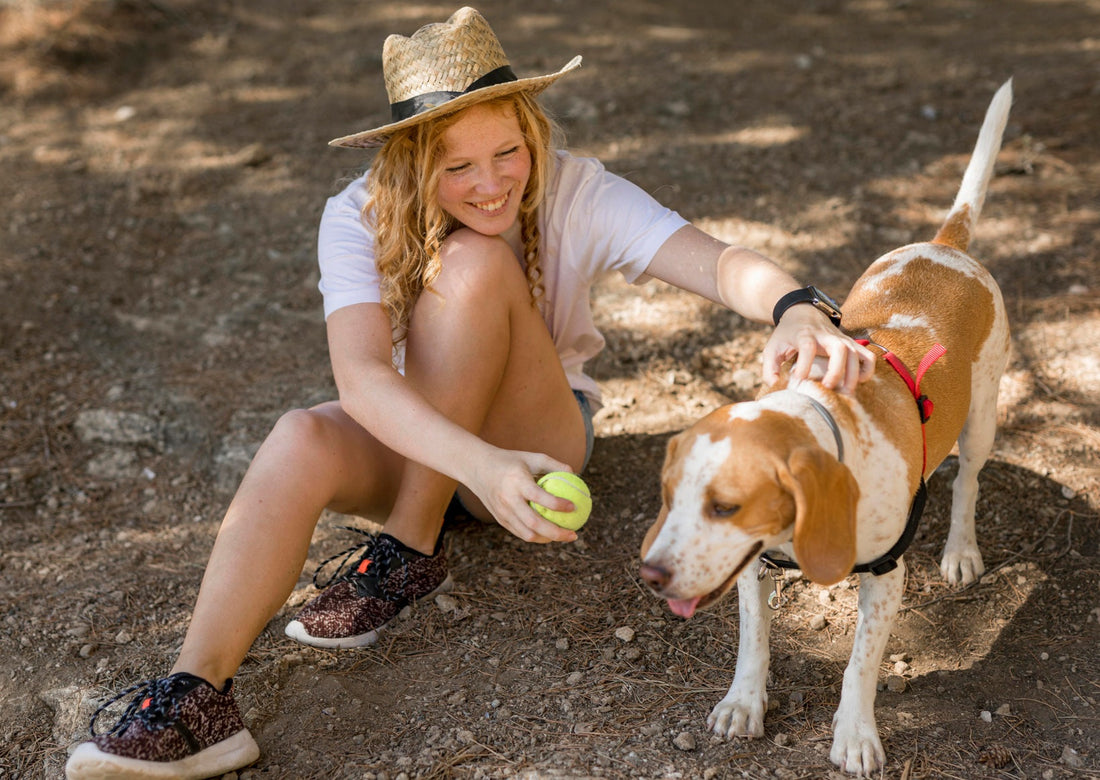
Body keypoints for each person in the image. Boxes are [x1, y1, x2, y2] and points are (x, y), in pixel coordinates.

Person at [64, 7, 875, 779]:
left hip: (537, 438)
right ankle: (198, 697)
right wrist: (475, 465)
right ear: (413, 163)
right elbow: (362, 379)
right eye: (457, 167)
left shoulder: (574, 189)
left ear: (532, 134)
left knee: (476, 262)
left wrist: (794, 304)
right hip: (443, 447)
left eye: (507, 152)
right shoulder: (355, 214)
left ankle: (409, 547)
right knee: (298, 435)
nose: (491, 185)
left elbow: (711, 258)